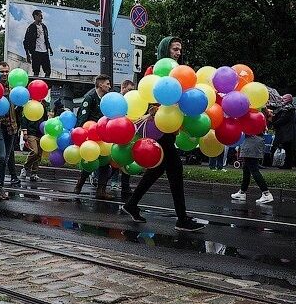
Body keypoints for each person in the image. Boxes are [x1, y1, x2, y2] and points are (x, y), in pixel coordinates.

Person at [121, 36, 205, 232]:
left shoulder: (180, 72)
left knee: (157, 169)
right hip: (158, 130)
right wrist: (153, 108)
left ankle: (131, 204)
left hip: (171, 128)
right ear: (165, 50)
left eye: (179, 49)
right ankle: (182, 219)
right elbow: (146, 95)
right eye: (175, 49)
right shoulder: (153, 71)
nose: (178, 53)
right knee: (175, 170)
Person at [73, 74, 114, 200]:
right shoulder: (90, 97)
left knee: (105, 162)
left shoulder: (106, 98)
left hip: (103, 134)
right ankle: (79, 184)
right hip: (91, 134)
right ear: (100, 85)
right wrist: (80, 134)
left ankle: (101, 190)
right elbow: (82, 116)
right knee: (91, 160)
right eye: (107, 84)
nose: (109, 86)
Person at [0, 62, 19, 201]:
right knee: (1, 156)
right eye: (2, 71)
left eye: (7, 71)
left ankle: (0, 186)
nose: (4, 74)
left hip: (11, 127)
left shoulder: (14, 88)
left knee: (6, 158)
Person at [230, 117, 274, 203]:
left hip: (251, 143)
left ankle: (266, 193)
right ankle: (242, 192)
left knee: (254, 169)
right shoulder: (257, 115)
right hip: (252, 142)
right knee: (246, 169)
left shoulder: (249, 116)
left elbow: (246, 129)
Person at [20, 100, 47, 181]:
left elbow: (45, 119)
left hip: (40, 133)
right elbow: (24, 119)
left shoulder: (43, 106)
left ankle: (34, 173)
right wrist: (25, 133)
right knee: (34, 152)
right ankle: (25, 168)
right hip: (31, 133)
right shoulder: (29, 105)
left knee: (39, 154)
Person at [269, 94, 296, 168]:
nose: (282, 100)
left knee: (286, 147)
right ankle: (287, 164)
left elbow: (283, 119)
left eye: (284, 99)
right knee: (287, 148)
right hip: (285, 131)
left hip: (285, 131)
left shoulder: (288, 108)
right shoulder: (288, 108)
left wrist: (274, 123)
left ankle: (286, 164)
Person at [23, 9, 53, 77]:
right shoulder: (31, 27)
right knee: (36, 71)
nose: (42, 17)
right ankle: (36, 83)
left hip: (45, 52)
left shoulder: (44, 27)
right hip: (36, 52)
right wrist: (27, 54)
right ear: (35, 16)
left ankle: (46, 83)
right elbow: (26, 41)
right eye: (40, 16)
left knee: (48, 71)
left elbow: (46, 38)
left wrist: (50, 48)